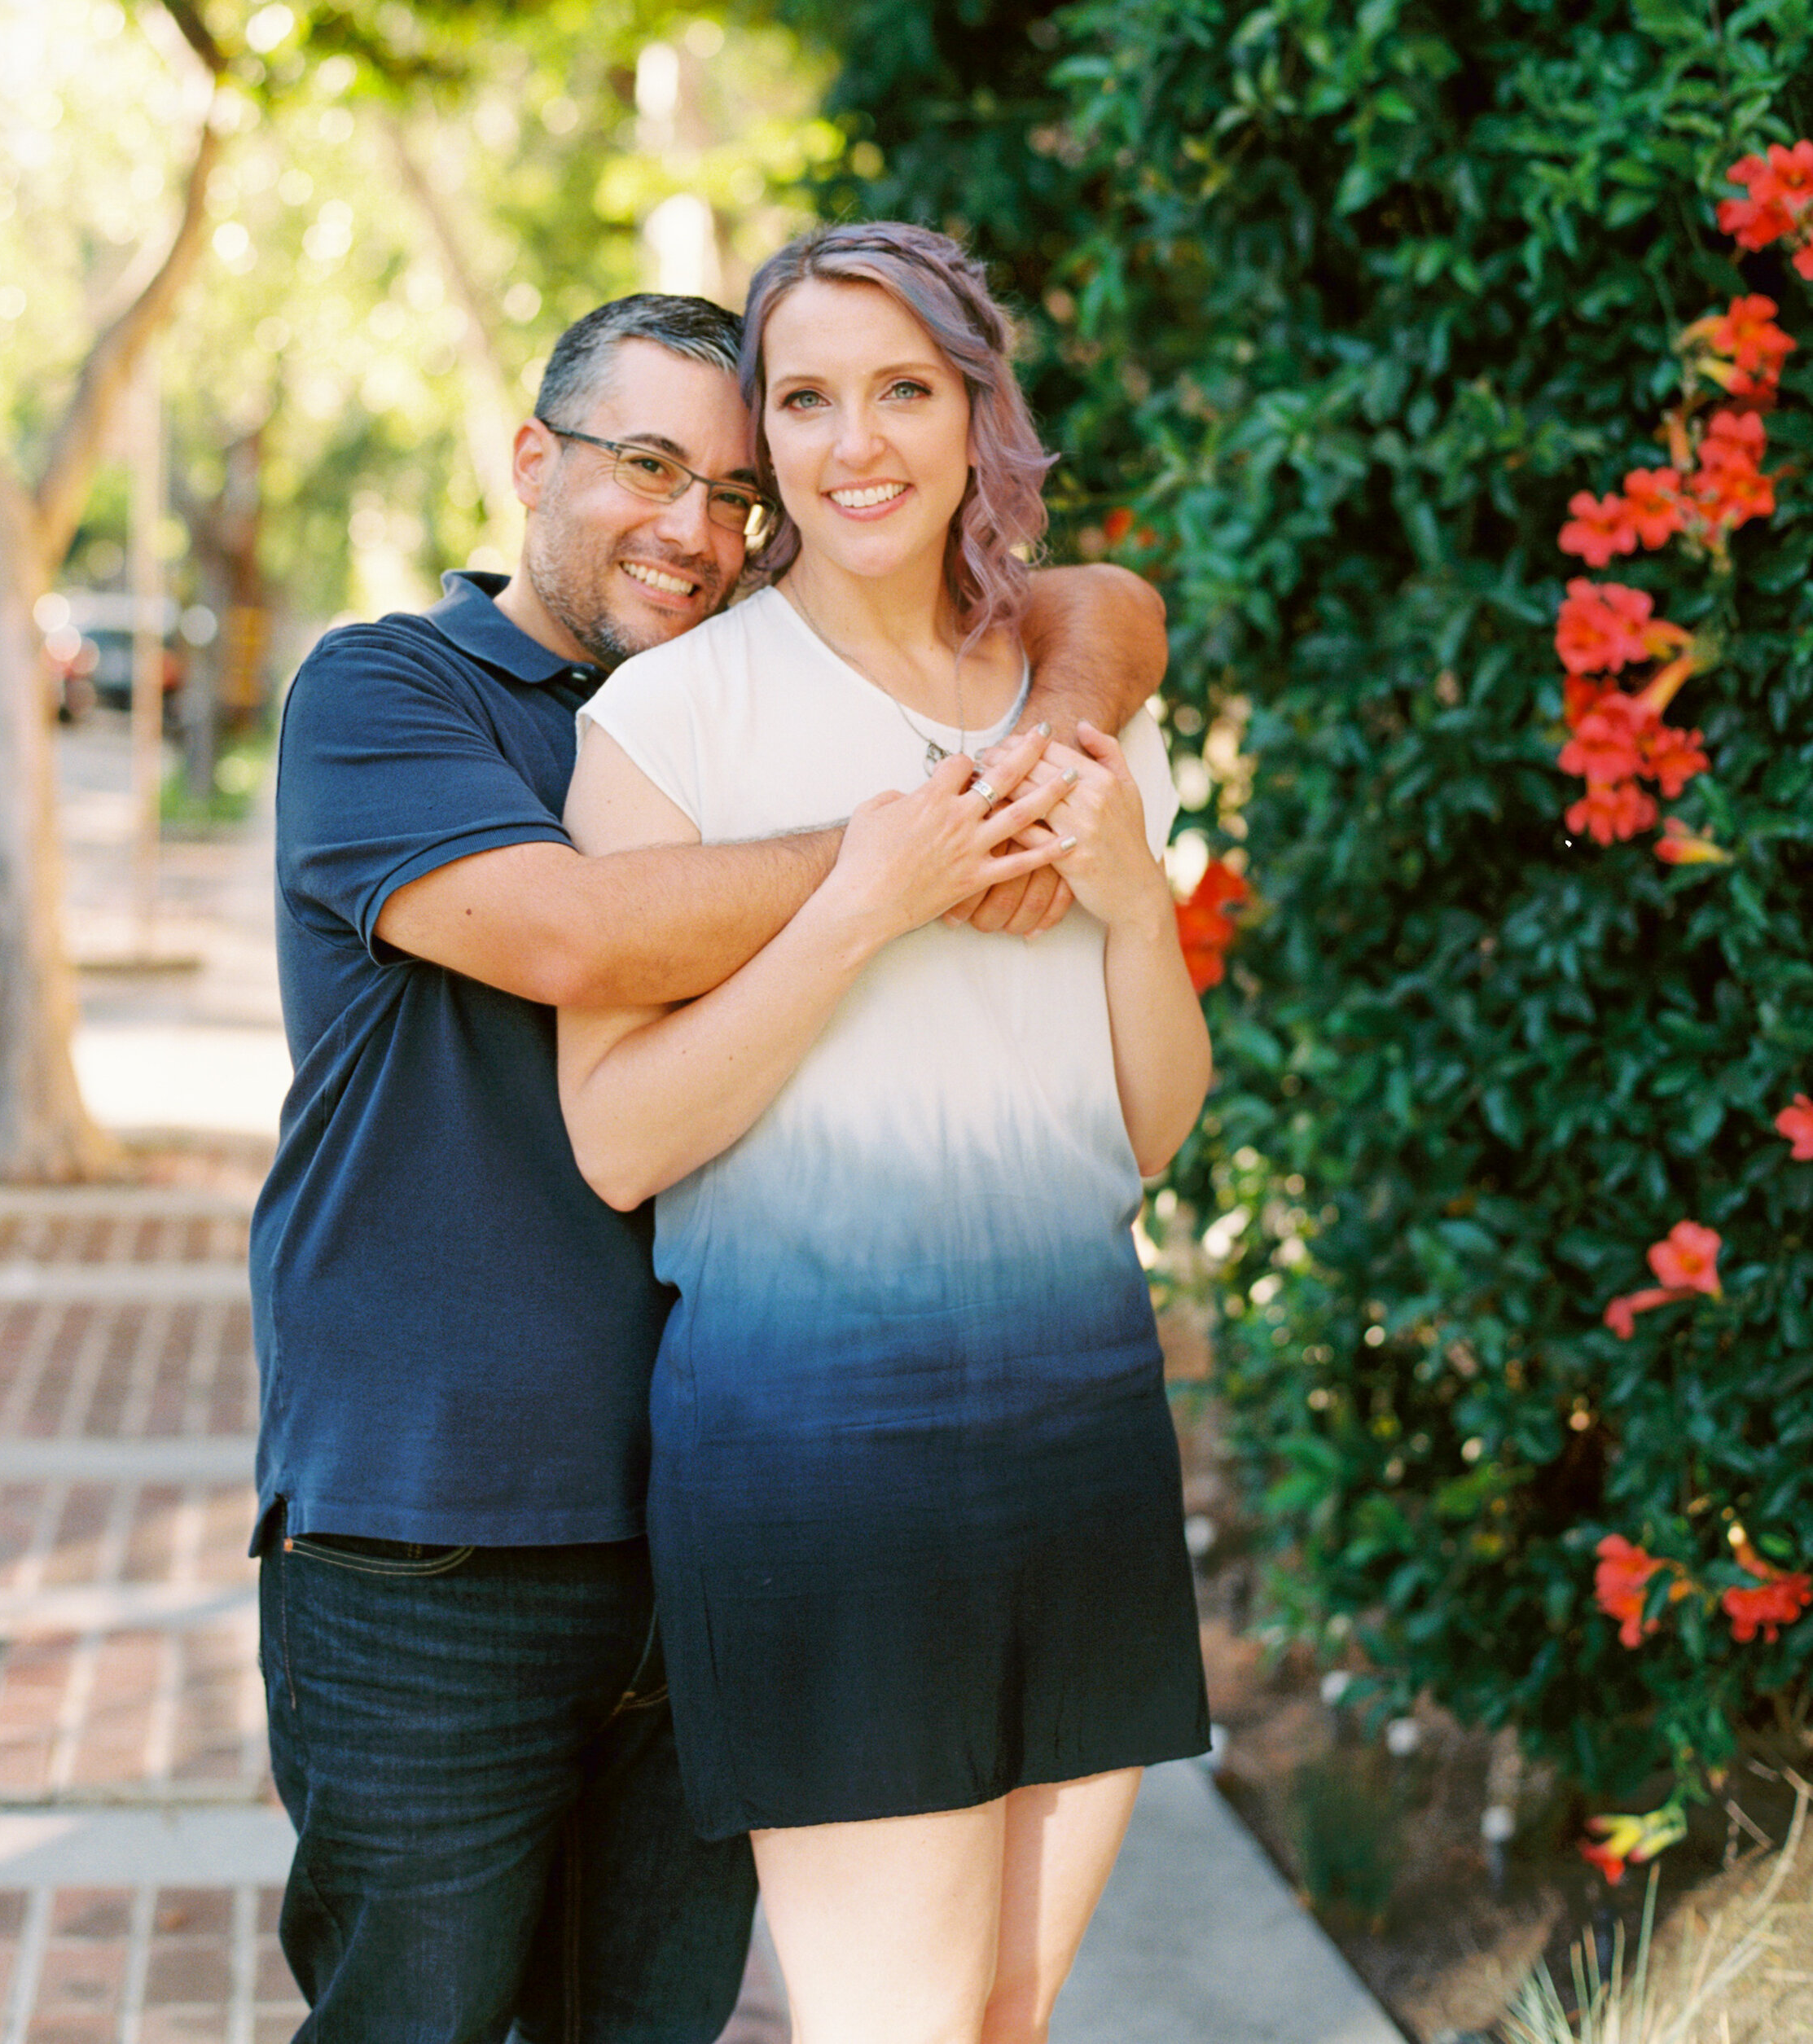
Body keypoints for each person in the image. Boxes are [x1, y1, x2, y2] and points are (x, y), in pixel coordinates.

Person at [253, 287, 1170, 2044]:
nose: (696, 525)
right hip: (433, 1526)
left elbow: (1098, 602)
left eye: (738, 489)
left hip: (718, 1521)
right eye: (646, 464)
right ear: (533, 460)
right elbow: (581, 932)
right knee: (410, 2021)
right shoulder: (390, 691)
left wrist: (1029, 737)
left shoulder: (756, 698)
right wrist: (922, 831)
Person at [557, 232, 1212, 2044]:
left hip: (1079, 1413)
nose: (858, 440)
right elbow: (616, 1138)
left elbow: (1143, 1130)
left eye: (903, 386)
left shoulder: (1074, 716)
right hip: (817, 1448)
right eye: (807, 396)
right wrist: (861, 899)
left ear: (973, 410)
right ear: (763, 438)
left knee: (1006, 2013)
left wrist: (1129, 904)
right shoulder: (672, 721)